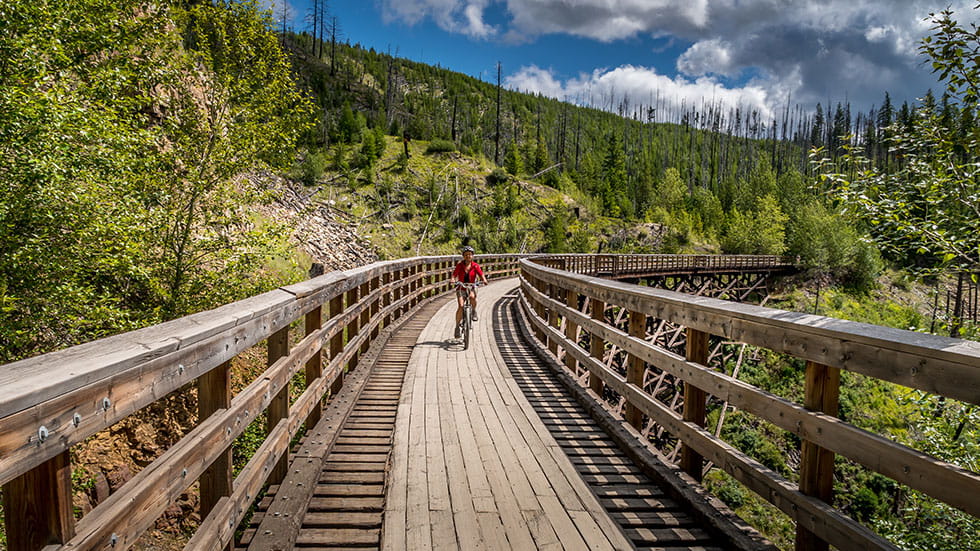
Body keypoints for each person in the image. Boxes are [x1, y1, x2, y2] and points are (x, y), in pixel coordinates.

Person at [452, 245, 489, 338]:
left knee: (472, 297)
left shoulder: (475, 265)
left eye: (470, 254)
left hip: (472, 286)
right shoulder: (460, 265)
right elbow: (454, 274)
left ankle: (473, 310)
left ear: (473, 256)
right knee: (460, 306)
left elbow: (481, 274)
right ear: (463, 256)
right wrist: (452, 279)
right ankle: (457, 326)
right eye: (466, 255)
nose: (468, 256)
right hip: (461, 287)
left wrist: (484, 280)